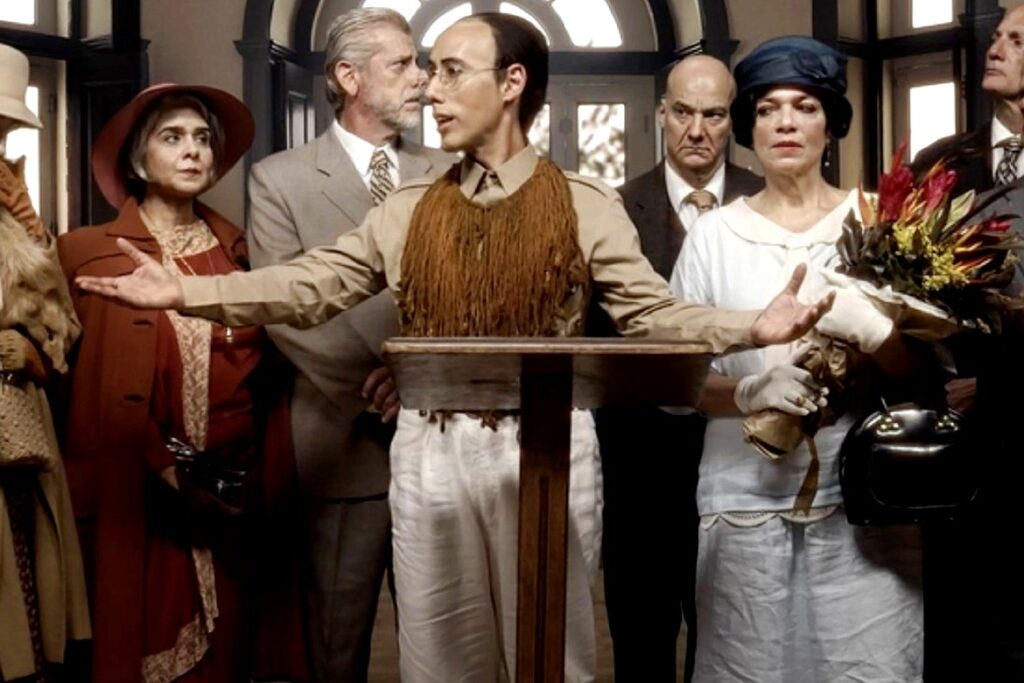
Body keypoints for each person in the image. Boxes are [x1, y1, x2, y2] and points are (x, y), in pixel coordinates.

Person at [73, 16, 833, 682]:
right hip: (429, 452)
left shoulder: (584, 204)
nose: (429, 89)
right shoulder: (407, 210)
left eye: (451, 71)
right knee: (439, 656)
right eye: (428, 71)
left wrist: (751, 327)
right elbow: (311, 284)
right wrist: (186, 292)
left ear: (511, 84)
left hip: (549, 450)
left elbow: (651, 313)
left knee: (551, 652)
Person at [670, 36, 924, 682]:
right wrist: (747, 393)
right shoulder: (712, 237)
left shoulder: (880, 223)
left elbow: (925, 380)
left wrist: (879, 336)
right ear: (749, 128)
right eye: (768, 109)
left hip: (862, 503)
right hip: (743, 498)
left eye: (806, 107)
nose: (786, 122)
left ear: (831, 124)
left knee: (868, 666)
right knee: (746, 667)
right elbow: (676, 381)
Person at [57, 84, 307, 682]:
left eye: (202, 139)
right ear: (139, 160)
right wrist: (165, 466)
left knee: (233, 654)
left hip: (235, 497)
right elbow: (73, 392)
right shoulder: (86, 256)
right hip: (141, 496)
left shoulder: (243, 257)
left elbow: (272, 379)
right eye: (172, 138)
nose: (192, 150)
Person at [245, 8, 454, 681]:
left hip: (447, 441)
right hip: (342, 445)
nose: (421, 78)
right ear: (349, 76)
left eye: (419, 63)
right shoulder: (279, 179)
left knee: (451, 647)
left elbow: (474, 295)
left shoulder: (453, 174)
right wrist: (383, 386)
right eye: (402, 64)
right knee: (335, 650)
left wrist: (421, 378)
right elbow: (284, 310)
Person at [591, 53, 763, 682]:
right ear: (661, 113)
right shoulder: (612, 208)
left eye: (713, 115)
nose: (697, 130)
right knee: (641, 644)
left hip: (742, 460)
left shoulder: (764, 201)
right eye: (683, 112)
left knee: (729, 643)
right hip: (640, 468)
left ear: (731, 120)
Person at [0, 42, 90, 683]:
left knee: (21, 576)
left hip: (17, 423)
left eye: (4, 132)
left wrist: (33, 233)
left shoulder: (18, 222)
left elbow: (63, 327)